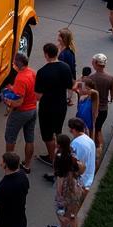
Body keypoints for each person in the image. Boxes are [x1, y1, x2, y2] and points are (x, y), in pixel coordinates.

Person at [35, 43, 74, 171]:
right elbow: (70, 86)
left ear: (46, 55)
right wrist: (68, 98)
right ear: (57, 53)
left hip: (47, 107)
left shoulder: (42, 72)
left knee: (47, 134)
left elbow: (38, 95)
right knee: (58, 131)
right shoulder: (65, 67)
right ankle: (60, 155)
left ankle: (53, 159)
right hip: (61, 105)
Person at [2, 52, 37, 173]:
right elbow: (30, 91)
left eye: (14, 62)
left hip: (21, 112)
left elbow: (19, 102)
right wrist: (14, 88)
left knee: (10, 138)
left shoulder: (20, 78)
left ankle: (9, 165)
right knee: (29, 139)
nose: (13, 64)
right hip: (32, 110)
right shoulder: (32, 72)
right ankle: (27, 165)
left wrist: (8, 102)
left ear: (17, 63)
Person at [88, 54, 113, 151]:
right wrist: (110, 99)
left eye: (93, 62)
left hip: (93, 109)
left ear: (96, 63)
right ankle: (98, 147)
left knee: (95, 129)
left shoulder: (91, 78)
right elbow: (112, 94)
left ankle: (99, 148)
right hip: (104, 109)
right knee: (98, 128)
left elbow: (87, 93)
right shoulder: (110, 78)